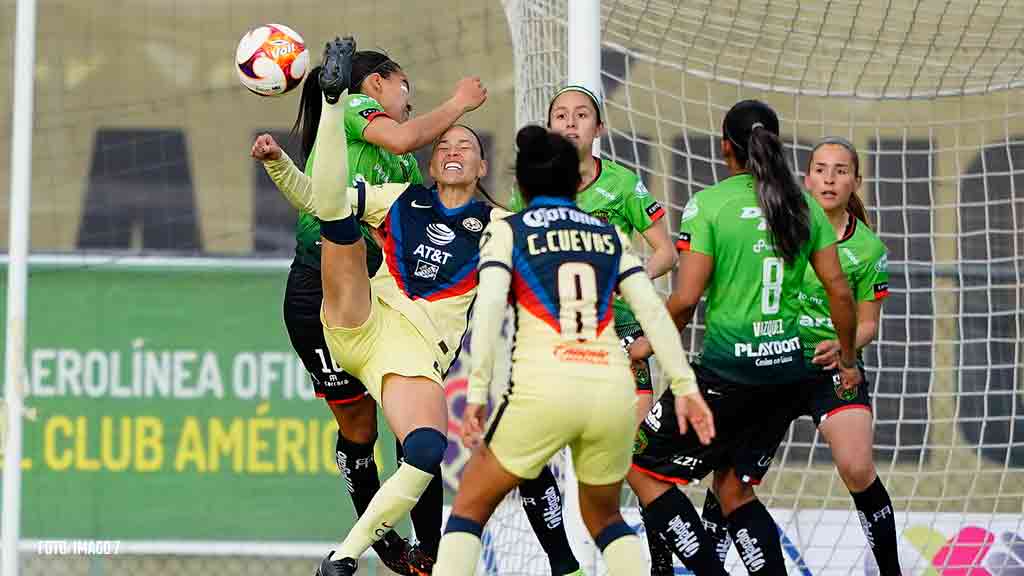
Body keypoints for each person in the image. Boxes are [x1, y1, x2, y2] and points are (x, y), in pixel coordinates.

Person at [431, 125, 716, 576]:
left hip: (543, 390)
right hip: (611, 392)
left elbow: (487, 312)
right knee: (604, 517)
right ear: (575, 183)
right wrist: (685, 386)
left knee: (469, 508)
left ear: (522, 186)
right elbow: (654, 313)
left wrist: (478, 395)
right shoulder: (607, 236)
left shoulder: (509, 229)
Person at [257, 37, 494, 576]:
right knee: (359, 429)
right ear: (377, 84)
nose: (411, 99)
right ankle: (381, 544)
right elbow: (335, 188)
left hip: (382, 309)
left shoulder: (411, 180)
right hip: (321, 285)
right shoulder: (360, 112)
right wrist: (459, 101)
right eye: (404, 84)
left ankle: (426, 552)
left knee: (416, 432)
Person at [627, 100, 862, 575]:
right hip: (785, 377)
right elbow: (839, 289)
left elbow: (687, 298)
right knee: (734, 490)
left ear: (724, 148)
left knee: (634, 463)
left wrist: (648, 343)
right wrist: (850, 359)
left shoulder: (710, 204)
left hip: (727, 375)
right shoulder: (804, 206)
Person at [700, 137, 900, 575]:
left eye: (841, 171)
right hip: (773, 362)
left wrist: (848, 348)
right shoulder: (775, 228)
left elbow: (868, 323)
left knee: (856, 465)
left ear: (856, 182)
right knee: (731, 478)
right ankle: (707, 564)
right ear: (805, 179)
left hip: (833, 365)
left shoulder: (868, 249)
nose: (830, 178)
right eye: (821, 169)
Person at [506, 85, 678, 575]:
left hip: (617, 334)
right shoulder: (531, 187)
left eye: (582, 115)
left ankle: (660, 566)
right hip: (550, 336)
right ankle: (566, 564)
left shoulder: (622, 185)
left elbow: (665, 250)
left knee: (635, 457)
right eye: (561, 115)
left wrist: (626, 283)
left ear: (598, 129)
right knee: (528, 459)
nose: (571, 122)